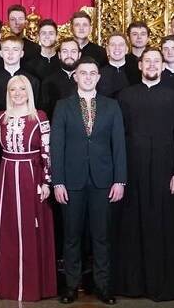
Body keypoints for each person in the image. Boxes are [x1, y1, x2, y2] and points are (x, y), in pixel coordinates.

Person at [51, 56, 127, 305]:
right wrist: (58, 181)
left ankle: (103, 286)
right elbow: (56, 146)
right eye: (83, 73)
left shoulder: (111, 106)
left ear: (98, 76)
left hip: (103, 180)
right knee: (71, 236)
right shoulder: (63, 106)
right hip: (71, 181)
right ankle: (72, 286)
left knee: (101, 236)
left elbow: (119, 145)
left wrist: (120, 180)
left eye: (92, 73)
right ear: (75, 76)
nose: (87, 77)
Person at [115, 48, 174, 301]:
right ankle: (132, 285)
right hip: (133, 172)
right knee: (131, 228)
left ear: (162, 65)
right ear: (139, 65)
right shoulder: (124, 96)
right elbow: (118, 139)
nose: (152, 65)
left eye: (156, 61)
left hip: (165, 172)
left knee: (164, 227)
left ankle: (164, 285)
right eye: (147, 61)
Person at [0, 75, 56, 302]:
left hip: (32, 175)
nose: (17, 93)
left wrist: (46, 181)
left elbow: (47, 152)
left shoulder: (40, 118)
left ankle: (32, 287)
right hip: (7, 174)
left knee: (31, 228)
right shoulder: (1, 118)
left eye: (21, 89)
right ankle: (7, 286)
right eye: (13, 89)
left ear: (28, 91)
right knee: (8, 228)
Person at [0, 35, 40, 113]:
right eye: (6, 49)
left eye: (15, 50)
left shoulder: (33, 80)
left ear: (22, 53)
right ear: (1, 53)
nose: (10, 53)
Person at [39, 37, 80, 118]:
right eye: (65, 51)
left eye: (73, 51)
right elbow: (44, 113)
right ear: (59, 55)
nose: (69, 55)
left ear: (79, 55)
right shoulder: (48, 81)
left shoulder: (88, 80)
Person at [99, 32, 131, 98]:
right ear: (107, 50)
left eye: (121, 45)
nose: (117, 48)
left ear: (127, 49)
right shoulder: (98, 74)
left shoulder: (136, 72)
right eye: (113, 45)